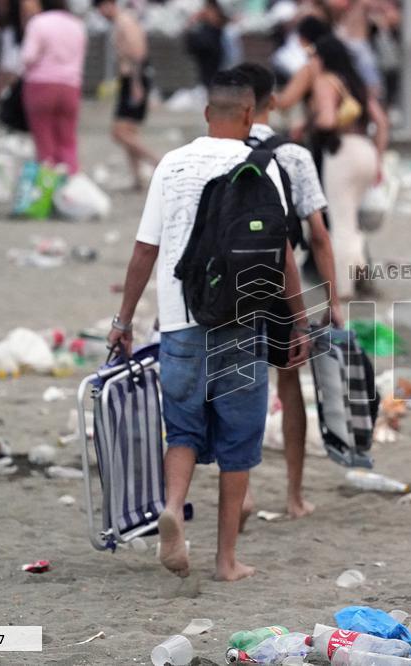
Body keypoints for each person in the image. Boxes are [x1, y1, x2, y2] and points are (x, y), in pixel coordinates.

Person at [107, 70, 309, 582]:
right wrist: (301, 321)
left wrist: (124, 320)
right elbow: (282, 255)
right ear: (249, 114)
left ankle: (173, 506)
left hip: (180, 318)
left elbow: (144, 250)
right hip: (245, 318)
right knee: (239, 441)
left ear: (205, 113)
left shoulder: (171, 165)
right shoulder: (261, 165)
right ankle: (226, 561)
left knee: (183, 428)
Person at [235, 62, 344, 520]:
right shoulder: (294, 155)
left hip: (231, 284)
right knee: (288, 381)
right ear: (273, 101)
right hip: (281, 284)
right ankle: (294, 495)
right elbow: (318, 233)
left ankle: (241, 492)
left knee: (237, 385)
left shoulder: (217, 149)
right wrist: (333, 300)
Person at [310, 35, 388, 301]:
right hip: (365, 149)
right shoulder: (356, 82)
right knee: (354, 223)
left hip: (342, 152)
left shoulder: (325, 81)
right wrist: (378, 158)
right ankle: (361, 276)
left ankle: (343, 288)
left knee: (341, 223)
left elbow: (327, 119)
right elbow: (381, 121)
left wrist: (311, 123)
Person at [94, 0, 159, 191]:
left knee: (119, 132)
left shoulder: (125, 22)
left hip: (134, 79)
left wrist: (136, 83)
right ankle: (137, 178)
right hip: (130, 80)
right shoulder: (122, 21)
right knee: (129, 131)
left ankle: (157, 161)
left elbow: (138, 53)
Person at [21, 0, 86, 173]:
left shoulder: (38, 23)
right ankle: (70, 183)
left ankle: (48, 187)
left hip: (41, 85)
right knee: (68, 140)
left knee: (44, 140)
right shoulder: (77, 25)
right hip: (71, 85)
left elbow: (28, 56)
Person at [185, 0, 226, 90]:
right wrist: (192, 24)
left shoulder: (226, 33)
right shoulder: (205, 31)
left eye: (211, 10)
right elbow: (190, 48)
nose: (207, 13)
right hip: (206, 83)